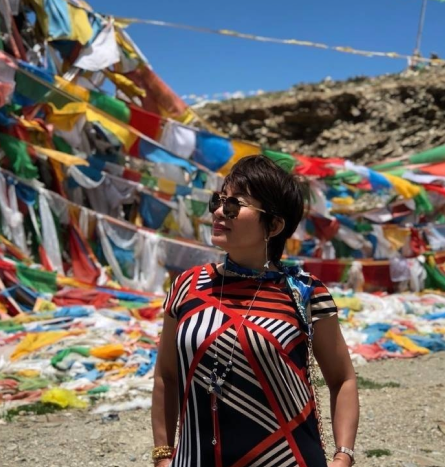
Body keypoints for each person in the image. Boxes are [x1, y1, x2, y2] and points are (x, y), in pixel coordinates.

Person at [151, 155, 359, 466]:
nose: (219, 212)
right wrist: (162, 455)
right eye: (219, 200)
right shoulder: (187, 287)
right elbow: (166, 376)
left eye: (235, 204)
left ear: (273, 225)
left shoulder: (305, 292)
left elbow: (342, 379)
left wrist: (343, 457)